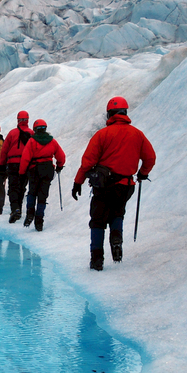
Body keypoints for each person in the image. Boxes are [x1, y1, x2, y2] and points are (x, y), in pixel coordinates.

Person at [71, 96, 156, 271]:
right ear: (125, 112)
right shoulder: (137, 134)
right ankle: (116, 241)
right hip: (125, 185)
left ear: (109, 114)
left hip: (103, 186)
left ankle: (97, 259)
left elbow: (87, 162)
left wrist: (78, 182)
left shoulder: (102, 134)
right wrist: (142, 173)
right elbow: (150, 158)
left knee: (98, 221)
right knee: (117, 213)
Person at [18, 119, 65, 231]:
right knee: (43, 196)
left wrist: (22, 173)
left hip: (34, 169)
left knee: (32, 192)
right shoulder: (52, 141)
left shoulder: (32, 141)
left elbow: (25, 158)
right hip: (48, 169)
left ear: (35, 129)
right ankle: (39, 221)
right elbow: (61, 156)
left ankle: (30, 213)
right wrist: (59, 166)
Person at [0, 111, 33, 223]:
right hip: (26, 163)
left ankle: (15, 209)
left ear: (18, 120)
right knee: (22, 187)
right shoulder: (32, 133)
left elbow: (4, 151)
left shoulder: (12, 133)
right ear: (27, 119)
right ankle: (19, 209)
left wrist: (2, 165)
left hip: (12, 163)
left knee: (13, 187)